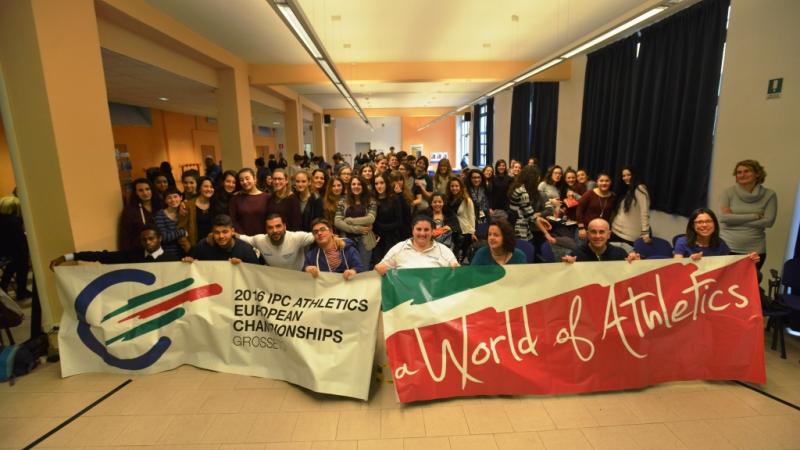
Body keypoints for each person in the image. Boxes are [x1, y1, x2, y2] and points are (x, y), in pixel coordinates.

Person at [718, 159, 777, 270]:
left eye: (747, 171)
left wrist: (734, 219)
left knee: (748, 285)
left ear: (757, 174)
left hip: (755, 250)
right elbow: (724, 218)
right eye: (739, 172)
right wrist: (754, 216)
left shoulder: (769, 195)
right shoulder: (727, 193)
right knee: (726, 285)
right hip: (727, 248)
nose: (742, 174)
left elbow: (768, 222)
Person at [50, 226, 180, 267]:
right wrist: (67, 257)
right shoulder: (132, 255)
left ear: (160, 238)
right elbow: (101, 256)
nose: (148, 242)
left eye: (151, 239)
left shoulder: (172, 259)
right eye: (144, 240)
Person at [375, 215, 459, 274]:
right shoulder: (399, 248)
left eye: (426, 230)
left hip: (435, 298)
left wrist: (457, 268)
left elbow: (457, 271)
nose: (422, 233)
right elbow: (380, 268)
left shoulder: (444, 251)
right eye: (418, 229)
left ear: (432, 232)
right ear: (412, 230)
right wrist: (379, 268)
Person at [675, 208, 761, 263]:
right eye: (699, 222)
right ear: (692, 226)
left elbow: (729, 268)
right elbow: (674, 268)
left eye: (708, 221)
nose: (704, 225)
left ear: (715, 224)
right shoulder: (682, 242)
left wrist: (749, 260)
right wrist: (689, 262)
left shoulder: (720, 244)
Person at [238, 213, 314, 270]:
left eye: (278, 226)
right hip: (275, 280)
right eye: (270, 227)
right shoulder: (260, 240)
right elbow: (244, 238)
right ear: (266, 229)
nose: (275, 231)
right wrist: (232, 234)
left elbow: (318, 236)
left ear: (284, 226)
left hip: (298, 277)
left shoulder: (297, 238)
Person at [334, 176, 377, 268]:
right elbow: (337, 221)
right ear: (350, 186)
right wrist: (357, 229)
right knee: (349, 268)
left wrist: (349, 220)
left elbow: (370, 218)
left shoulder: (371, 201)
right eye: (353, 184)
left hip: (365, 240)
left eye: (359, 184)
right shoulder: (342, 201)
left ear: (363, 186)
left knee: (363, 268)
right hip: (346, 240)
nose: (356, 186)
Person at [183, 215, 260, 264]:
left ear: (232, 231)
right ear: (212, 232)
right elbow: (190, 262)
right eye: (217, 232)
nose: (221, 236)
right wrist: (188, 261)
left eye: (225, 232)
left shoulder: (245, 249)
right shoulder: (203, 245)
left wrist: (243, 267)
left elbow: (255, 273)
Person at [508, 166, 551, 247]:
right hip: (519, 229)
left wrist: (540, 218)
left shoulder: (517, 187)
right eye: (537, 177)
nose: (539, 179)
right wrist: (546, 233)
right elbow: (531, 216)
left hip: (514, 225)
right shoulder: (523, 192)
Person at [563, 218, 640, 263]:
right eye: (593, 232)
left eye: (602, 232)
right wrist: (566, 266)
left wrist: (636, 264)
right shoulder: (576, 255)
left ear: (609, 235)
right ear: (587, 234)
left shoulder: (620, 254)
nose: (597, 236)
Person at [372, 174, 409, 264]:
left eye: (381, 183)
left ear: (386, 184)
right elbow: (373, 222)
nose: (379, 186)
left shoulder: (394, 199)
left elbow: (399, 222)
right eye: (376, 184)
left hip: (393, 238)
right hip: (378, 239)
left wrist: (380, 226)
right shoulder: (372, 200)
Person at [0, 194, 31, 299]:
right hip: (11, 252)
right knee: (22, 262)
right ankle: (21, 290)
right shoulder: (13, 221)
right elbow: (20, 241)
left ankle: (3, 287)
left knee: (13, 264)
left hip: (4, 252)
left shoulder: (2, 219)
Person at [611, 166, 651, 246]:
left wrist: (645, 232)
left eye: (628, 175)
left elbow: (644, 212)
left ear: (634, 175)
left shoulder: (640, 189)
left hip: (630, 235)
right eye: (623, 176)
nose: (626, 178)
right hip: (615, 231)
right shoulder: (626, 189)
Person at [119, 178, 160, 252]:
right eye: (140, 190)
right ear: (136, 193)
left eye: (147, 189)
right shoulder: (130, 211)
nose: (145, 193)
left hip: (161, 249)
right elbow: (125, 236)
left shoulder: (161, 206)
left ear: (152, 190)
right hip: (139, 251)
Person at [229, 168, 269, 236]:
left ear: (254, 179)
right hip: (243, 239)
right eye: (241, 180)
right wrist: (243, 237)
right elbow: (233, 220)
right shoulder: (236, 198)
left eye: (247, 178)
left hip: (264, 238)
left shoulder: (267, 197)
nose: (244, 182)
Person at [576, 172, 616, 241]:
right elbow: (579, 210)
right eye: (601, 181)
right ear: (597, 182)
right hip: (586, 230)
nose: (604, 183)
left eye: (607, 181)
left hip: (602, 232)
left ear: (610, 182)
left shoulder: (613, 197)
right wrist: (581, 228)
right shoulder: (589, 193)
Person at [178, 176, 214, 246]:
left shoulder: (215, 204)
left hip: (213, 246)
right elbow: (181, 229)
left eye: (211, 187)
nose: (209, 189)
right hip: (194, 247)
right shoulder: (188, 205)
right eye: (206, 186)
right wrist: (188, 248)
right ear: (199, 188)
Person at [447, 177, 476, 262]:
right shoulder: (447, 200)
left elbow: (471, 216)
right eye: (452, 186)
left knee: (462, 258)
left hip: (464, 231)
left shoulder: (467, 200)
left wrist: (472, 232)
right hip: (452, 230)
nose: (454, 188)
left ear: (460, 187)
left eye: (456, 186)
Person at [153, 187, 188, 258]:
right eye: (169, 198)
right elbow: (163, 237)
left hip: (185, 252)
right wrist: (182, 232)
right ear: (165, 200)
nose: (173, 200)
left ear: (181, 197)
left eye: (175, 196)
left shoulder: (184, 212)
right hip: (167, 254)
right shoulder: (160, 215)